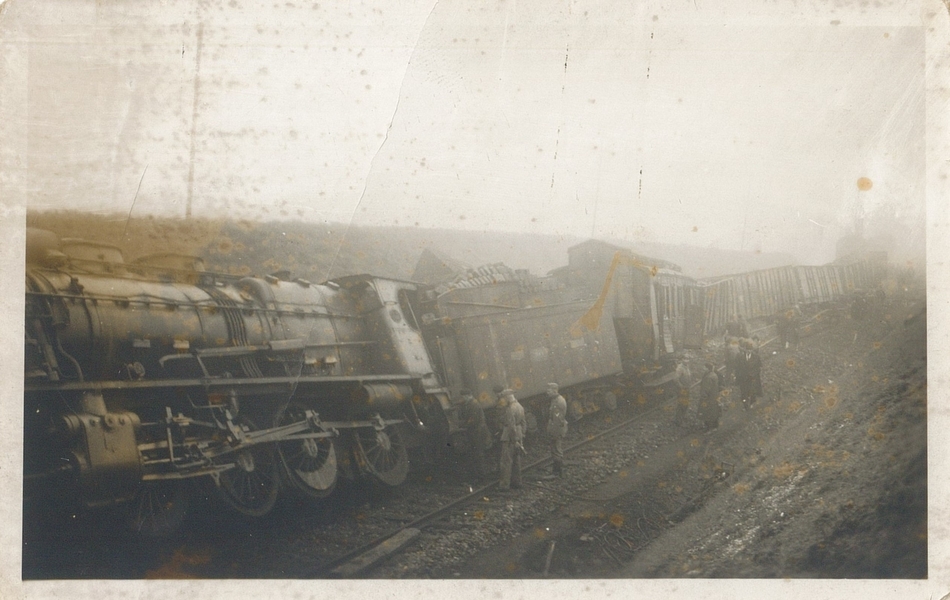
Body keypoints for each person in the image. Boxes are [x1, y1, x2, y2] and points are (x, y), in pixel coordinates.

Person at [458, 389, 492, 479]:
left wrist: (463, 425)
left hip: (477, 431)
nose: (463, 398)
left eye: (464, 396)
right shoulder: (469, 404)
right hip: (474, 431)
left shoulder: (474, 404)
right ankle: (478, 474)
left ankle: (482, 475)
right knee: (475, 453)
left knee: (478, 453)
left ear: (468, 395)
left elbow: (473, 419)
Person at [497, 389, 526, 491]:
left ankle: (504, 485)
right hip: (519, 434)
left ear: (508, 397)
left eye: (504, 398)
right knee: (516, 461)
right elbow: (523, 423)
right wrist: (521, 436)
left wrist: (514, 440)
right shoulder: (520, 406)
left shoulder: (510, 409)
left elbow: (511, 426)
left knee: (506, 461)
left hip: (510, 437)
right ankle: (517, 482)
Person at [545, 383, 568, 478]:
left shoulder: (558, 402)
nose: (547, 393)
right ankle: (558, 470)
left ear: (555, 390)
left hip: (557, 429)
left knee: (557, 449)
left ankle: (559, 471)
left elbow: (557, 419)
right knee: (555, 449)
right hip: (555, 428)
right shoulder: (555, 400)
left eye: (549, 391)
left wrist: (554, 433)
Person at [735, 339, 762, 409]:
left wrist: (754, 374)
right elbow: (737, 367)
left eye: (750, 350)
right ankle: (745, 404)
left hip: (752, 377)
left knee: (752, 391)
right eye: (747, 350)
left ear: (752, 350)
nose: (748, 351)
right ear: (745, 350)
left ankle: (752, 403)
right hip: (743, 377)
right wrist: (737, 376)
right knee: (743, 391)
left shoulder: (756, 357)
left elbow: (759, 367)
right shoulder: (740, 356)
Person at [698, 362, 722, 431]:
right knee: (714, 412)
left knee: (707, 413)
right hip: (714, 396)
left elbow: (705, 389)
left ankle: (709, 428)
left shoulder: (708, 377)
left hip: (708, 398)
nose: (703, 369)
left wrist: (703, 397)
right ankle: (715, 426)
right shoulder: (714, 375)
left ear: (707, 368)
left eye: (704, 368)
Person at [672, 355, 692, 426]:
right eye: (685, 359)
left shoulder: (687, 366)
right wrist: (681, 387)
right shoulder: (680, 368)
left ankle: (683, 418)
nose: (687, 360)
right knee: (681, 404)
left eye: (688, 359)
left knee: (685, 404)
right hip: (682, 389)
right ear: (682, 359)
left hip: (687, 388)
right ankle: (678, 421)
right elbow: (676, 379)